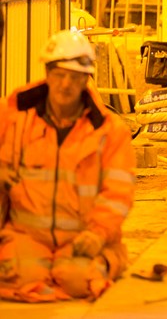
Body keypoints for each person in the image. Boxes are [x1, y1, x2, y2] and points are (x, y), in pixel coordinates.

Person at [0, 29, 136, 302]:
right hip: (27, 235)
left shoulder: (110, 132)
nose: (65, 85)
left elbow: (118, 194)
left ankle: (112, 256)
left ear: (87, 80)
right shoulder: (14, 117)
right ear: (47, 75)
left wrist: (98, 234)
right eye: (59, 75)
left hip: (81, 237)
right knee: (18, 278)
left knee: (76, 281)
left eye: (74, 78)